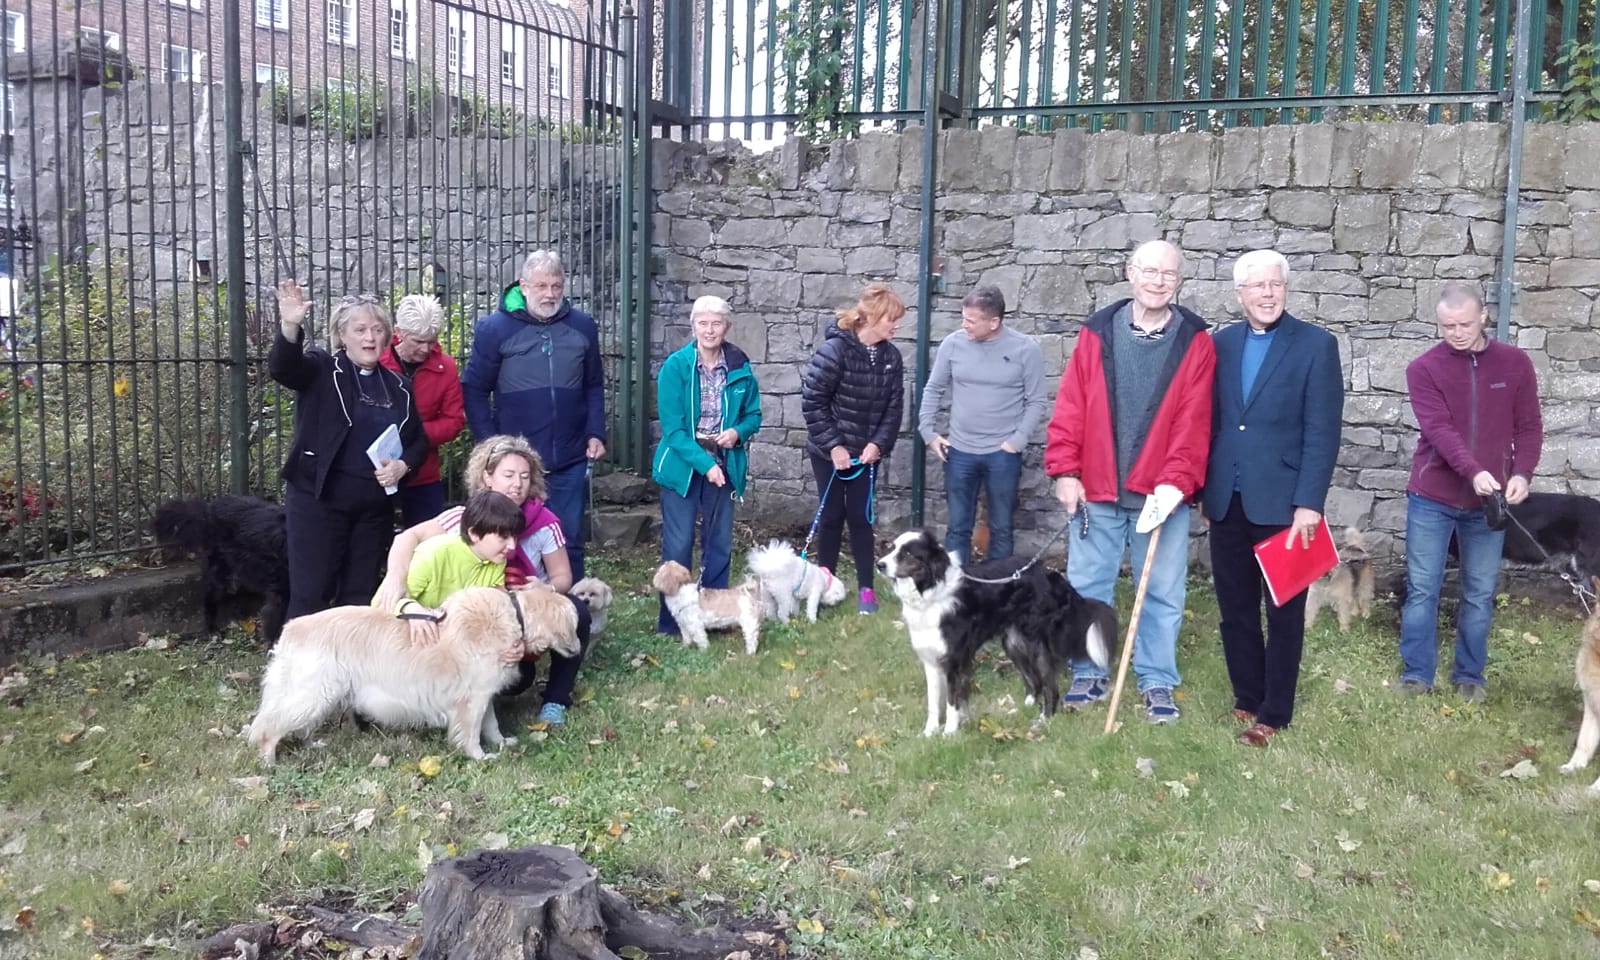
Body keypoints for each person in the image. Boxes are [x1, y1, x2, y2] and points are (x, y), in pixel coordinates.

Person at [1044, 240, 1215, 724]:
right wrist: (1065, 470)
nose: (1158, 280)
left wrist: (1175, 483)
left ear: (1179, 280)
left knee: (1161, 590)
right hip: (1098, 488)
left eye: (1168, 273)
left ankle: (1157, 678)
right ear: (1130, 273)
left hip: (1160, 496)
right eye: (1149, 271)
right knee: (1088, 586)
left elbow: (1194, 419)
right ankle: (1087, 670)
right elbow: (1072, 406)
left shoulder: (1195, 340)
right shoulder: (1097, 333)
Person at [1201, 250, 1344, 747]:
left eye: (1275, 285)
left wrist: (1310, 501)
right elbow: (1212, 423)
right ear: (1239, 294)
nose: (1267, 294)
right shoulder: (1220, 344)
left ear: (1285, 290)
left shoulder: (1315, 346)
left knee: (1283, 611)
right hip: (1226, 500)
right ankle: (1246, 696)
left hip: (1285, 504)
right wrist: (1203, 487)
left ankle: (1274, 712)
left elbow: (1323, 431)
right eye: (1257, 286)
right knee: (1234, 607)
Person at [373, 435, 592, 726]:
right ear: (487, 477)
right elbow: (408, 536)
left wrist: (547, 588)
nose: (517, 484)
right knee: (515, 679)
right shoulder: (465, 520)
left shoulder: (545, 521)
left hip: (529, 608)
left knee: (577, 611)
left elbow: (564, 576)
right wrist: (395, 579)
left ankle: (555, 699)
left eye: (525, 476)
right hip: (474, 622)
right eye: (509, 475)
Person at [1397, 282, 1543, 702]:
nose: (1456, 332)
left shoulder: (1515, 364)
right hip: (1432, 497)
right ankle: (1417, 673)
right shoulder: (1423, 369)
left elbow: (1529, 427)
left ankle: (1470, 676)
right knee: (1423, 587)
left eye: (1463, 324)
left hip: (1488, 503)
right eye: (1446, 326)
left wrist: (1522, 473)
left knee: (1479, 591)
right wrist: (1474, 470)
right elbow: (1438, 430)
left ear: (1483, 316)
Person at [270, 281, 426, 619]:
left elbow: (418, 441)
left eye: (377, 329)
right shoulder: (323, 368)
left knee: (358, 599)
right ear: (342, 335)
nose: (370, 337)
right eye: (360, 329)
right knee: (311, 594)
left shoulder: (399, 386)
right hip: (319, 501)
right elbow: (284, 369)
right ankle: (297, 670)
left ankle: (348, 670)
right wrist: (290, 326)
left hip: (373, 510)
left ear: (387, 336)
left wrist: (403, 466)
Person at [462, 251, 605, 579]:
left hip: (570, 457)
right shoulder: (494, 329)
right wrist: (491, 446)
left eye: (556, 285)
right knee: (508, 541)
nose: (550, 294)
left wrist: (596, 431)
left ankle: (573, 617)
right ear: (524, 286)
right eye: (541, 286)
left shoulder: (582, 326)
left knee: (569, 540)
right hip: (515, 466)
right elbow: (474, 389)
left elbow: (594, 384)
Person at [652, 296, 763, 635]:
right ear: (693, 325)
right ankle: (672, 621)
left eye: (716, 323)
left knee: (718, 543)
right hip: (682, 465)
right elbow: (673, 430)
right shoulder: (676, 366)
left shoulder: (740, 366)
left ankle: (716, 616)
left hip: (725, 462)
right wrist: (705, 465)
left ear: (726, 327)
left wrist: (737, 432)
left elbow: (753, 415)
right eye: (703, 323)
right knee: (679, 544)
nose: (710, 329)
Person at [918, 285, 1048, 563]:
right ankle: (957, 590)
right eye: (963, 318)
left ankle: (998, 590)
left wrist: (1017, 442)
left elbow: (1036, 400)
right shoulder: (953, 344)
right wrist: (928, 433)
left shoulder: (1025, 349)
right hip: (959, 452)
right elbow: (933, 389)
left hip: (1002, 455)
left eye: (971, 320)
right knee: (957, 528)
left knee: (1001, 527)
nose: (964, 325)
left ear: (994, 322)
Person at [802, 283, 907, 615]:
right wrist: (834, 447)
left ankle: (866, 589)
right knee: (831, 516)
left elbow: (894, 408)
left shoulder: (891, 357)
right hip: (828, 454)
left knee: (861, 518)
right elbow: (813, 402)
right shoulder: (834, 351)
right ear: (873, 318)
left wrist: (878, 444)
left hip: (866, 456)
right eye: (892, 319)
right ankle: (825, 584)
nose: (897, 326)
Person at [380, 294, 465, 527]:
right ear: (398, 331)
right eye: (418, 341)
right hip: (379, 469)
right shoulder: (377, 361)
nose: (426, 348)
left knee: (427, 544)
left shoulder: (445, 367)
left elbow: (454, 421)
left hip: (423, 472)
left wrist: (414, 434)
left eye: (432, 340)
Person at [397, 490, 525, 610]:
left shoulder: (497, 561)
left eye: (514, 536)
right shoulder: (432, 554)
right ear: (474, 534)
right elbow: (392, 602)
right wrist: (413, 613)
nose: (512, 546)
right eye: (503, 537)